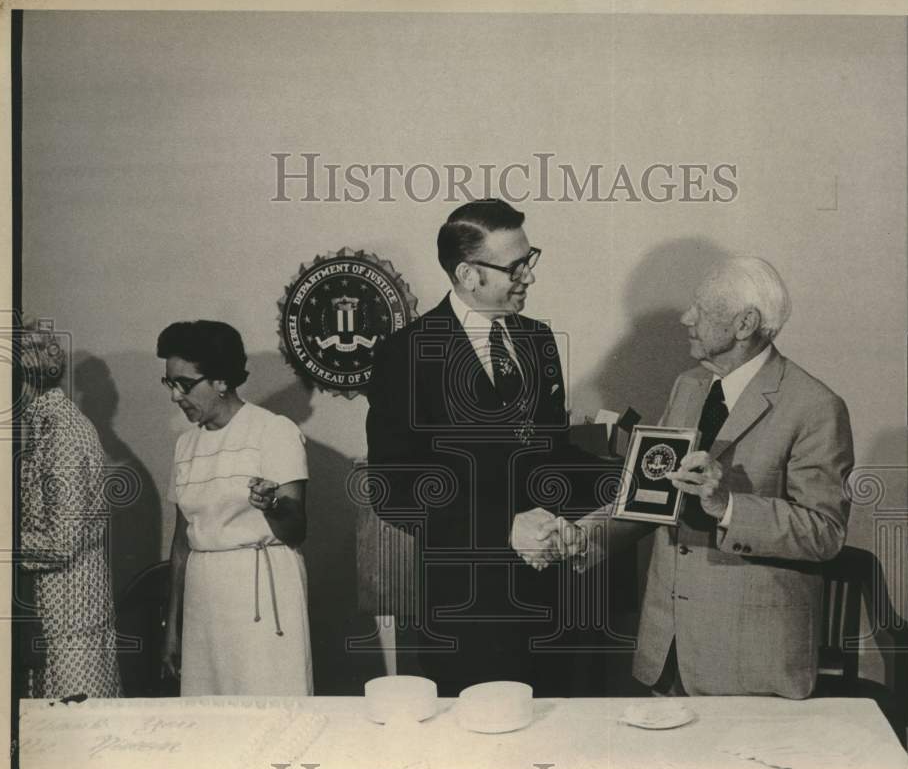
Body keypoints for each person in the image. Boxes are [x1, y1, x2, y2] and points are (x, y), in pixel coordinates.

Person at [517, 256, 855, 699]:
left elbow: (825, 533)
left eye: (701, 308)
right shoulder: (688, 387)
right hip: (668, 654)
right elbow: (648, 496)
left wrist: (727, 506)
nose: (685, 317)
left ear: (745, 323)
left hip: (751, 667)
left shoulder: (814, 406)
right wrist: (584, 535)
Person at [366, 199, 606, 697]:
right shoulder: (405, 354)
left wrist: (638, 476)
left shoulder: (538, 341)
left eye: (529, 259)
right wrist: (502, 527)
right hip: (467, 614)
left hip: (554, 601)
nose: (529, 278)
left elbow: (552, 457)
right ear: (467, 274)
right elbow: (394, 489)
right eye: (516, 267)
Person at [157, 320, 312, 695]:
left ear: (221, 381)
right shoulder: (185, 446)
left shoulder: (273, 431)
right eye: (170, 383)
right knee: (210, 721)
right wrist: (173, 628)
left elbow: (296, 529)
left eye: (185, 384)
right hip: (203, 599)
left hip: (260, 590)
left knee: (268, 709)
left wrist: (271, 504)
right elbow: (181, 544)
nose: (176, 396)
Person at [17, 316, 122, 698]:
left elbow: (61, 541)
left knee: (78, 735)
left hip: (72, 622)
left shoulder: (63, 433)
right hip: (58, 618)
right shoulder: (45, 427)